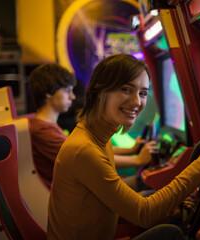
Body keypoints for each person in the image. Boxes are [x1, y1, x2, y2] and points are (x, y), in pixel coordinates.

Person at [47, 54, 200, 239]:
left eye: (143, 93)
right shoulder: (83, 149)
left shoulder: (97, 136)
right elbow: (144, 214)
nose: (136, 102)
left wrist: (168, 209)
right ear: (100, 90)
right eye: (126, 89)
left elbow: (104, 208)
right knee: (171, 234)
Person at [28, 63, 156, 189]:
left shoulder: (46, 126)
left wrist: (131, 151)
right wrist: (138, 160)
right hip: (77, 195)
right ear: (48, 93)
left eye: (142, 93)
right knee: (146, 185)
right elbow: (90, 161)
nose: (72, 97)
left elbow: (94, 149)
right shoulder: (44, 131)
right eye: (67, 91)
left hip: (83, 186)